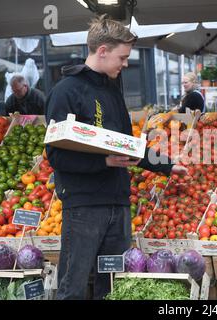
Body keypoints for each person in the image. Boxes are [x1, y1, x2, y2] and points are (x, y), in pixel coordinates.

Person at [45, 15, 187, 300]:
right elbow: (56, 156)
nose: (125, 64)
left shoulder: (112, 90)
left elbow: (126, 145)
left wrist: (168, 166)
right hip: (84, 206)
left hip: (118, 204)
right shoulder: (65, 92)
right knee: (72, 286)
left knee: (113, 288)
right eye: (122, 57)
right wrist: (104, 162)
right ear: (102, 51)